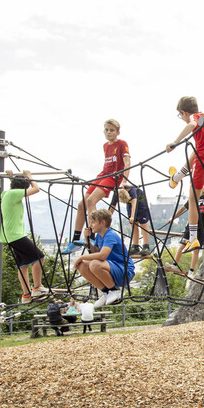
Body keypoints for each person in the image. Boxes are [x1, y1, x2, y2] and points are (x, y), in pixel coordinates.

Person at [165, 96, 204, 253]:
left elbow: (191, 124)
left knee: (193, 199)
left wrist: (175, 143)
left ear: (184, 112)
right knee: (198, 147)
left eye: (181, 116)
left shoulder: (194, 118)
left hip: (203, 162)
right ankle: (177, 177)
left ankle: (192, 239)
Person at [62, 119, 130, 254]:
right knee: (82, 204)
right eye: (107, 130)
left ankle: (92, 235)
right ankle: (76, 240)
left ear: (118, 132)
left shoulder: (122, 144)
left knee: (90, 201)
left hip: (113, 177)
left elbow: (127, 162)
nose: (109, 132)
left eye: (112, 130)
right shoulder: (105, 146)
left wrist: (124, 181)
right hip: (103, 175)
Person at [0, 170, 47, 304]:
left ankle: (26, 295)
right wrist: (29, 176)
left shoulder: (7, 194)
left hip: (10, 235)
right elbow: (36, 189)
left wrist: (11, 178)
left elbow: (16, 188)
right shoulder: (14, 194)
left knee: (23, 265)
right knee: (39, 257)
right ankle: (37, 288)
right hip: (16, 234)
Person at [74, 209, 135, 307]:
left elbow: (102, 255)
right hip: (112, 268)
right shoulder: (99, 236)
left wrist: (82, 257)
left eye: (93, 222)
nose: (91, 225)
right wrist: (87, 239)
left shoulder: (110, 235)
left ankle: (115, 290)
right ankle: (106, 292)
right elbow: (96, 252)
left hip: (124, 270)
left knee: (94, 264)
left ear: (102, 223)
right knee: (82, 265)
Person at [111, 186, 152, 255]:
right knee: (133, 224)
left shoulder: (132, 190)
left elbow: (134, 204)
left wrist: (132, 216)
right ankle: (135, 246)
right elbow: (112, 207)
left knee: (143, 224)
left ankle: (146, 246)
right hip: (129, 203)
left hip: (140, 202)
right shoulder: (116, 193)